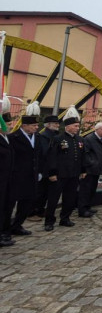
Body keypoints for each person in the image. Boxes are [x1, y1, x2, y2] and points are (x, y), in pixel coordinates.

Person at [45, 107, 86, 230]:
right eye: (75, 126)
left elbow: (82, 156)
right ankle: (49, 221)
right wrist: (52, 173)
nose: (77, 128)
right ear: (67, 126)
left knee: (70, 198)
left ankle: (65, 218)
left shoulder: (80, 140)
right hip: (59, 174)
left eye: (78, 126)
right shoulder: (58, 138)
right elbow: (52, 157)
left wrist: (83, 170)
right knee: (53, 199)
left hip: (73, 174)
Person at [8, 101, 41, 236]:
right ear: (25, 126)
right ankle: (5, 228)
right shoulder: (13, 138)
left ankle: (17, 225)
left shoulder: (37, 138)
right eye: (33, 125)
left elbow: (39, 156)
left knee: (27, 202)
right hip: (17, 176)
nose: (36, 127)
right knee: (10, 204)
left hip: (31, 175)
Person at [78, 122, 102, 217]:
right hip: (90, 169)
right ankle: (82, 209)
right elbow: (85, 154)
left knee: (92, 189)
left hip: (98, 169)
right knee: (85, 189)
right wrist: (92, 163)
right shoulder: (89, 139)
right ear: (97, 130)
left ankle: (88, 206)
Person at [35, 115, 60, 220]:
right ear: (48, 125)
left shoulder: (55, 135)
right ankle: (37, 210)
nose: (58, 125)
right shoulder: (44, 136)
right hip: (45, 169)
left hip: (52, 168)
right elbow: (46, 153)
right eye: (55, 123)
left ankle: (41, 210)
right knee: (41, 192)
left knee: (46, 192)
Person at [0, 105, 14, 248]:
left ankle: (4, 232)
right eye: (7, 124)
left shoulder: (7, 139)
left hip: (7, 179)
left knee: (5, 207)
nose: (9, 127)